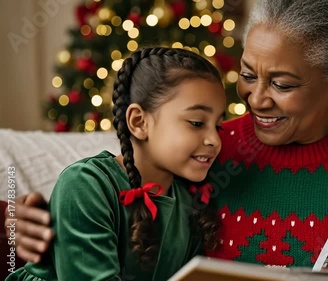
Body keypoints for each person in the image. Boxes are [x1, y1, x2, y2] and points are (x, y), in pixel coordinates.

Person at [10, 0, 328, 270]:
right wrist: (17, 226)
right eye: (247, 75)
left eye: (283, 84)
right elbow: (115, 201)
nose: (256, 99)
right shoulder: (206, 153)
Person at [6, 47, 226, 280]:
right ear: (139, 122)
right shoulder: (85, 186)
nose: (215, 140)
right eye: (196, 122)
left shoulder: (189, 203)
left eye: (219, 125)